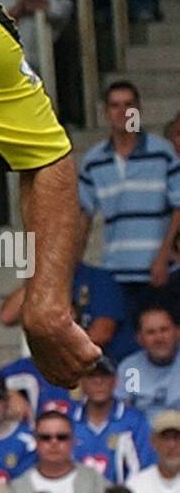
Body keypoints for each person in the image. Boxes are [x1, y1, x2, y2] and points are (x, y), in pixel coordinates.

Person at [78, 82, 180, 325]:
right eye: (115, 106)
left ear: (139, 110)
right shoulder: (93, 161)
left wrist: (163, 255)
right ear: (105, 113)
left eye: (128, 105)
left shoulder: (163, 153)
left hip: (158, 272)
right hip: (115, 270)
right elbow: (84, 215)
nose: (122, 112)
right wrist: (76, 265)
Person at [72, 356, 154, 483]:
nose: (98, 381)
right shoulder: (69, 421)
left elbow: (146, 467)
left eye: (104, 376)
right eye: (91, 376)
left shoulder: (135, 421)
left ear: (115, 381)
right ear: (81, 382)